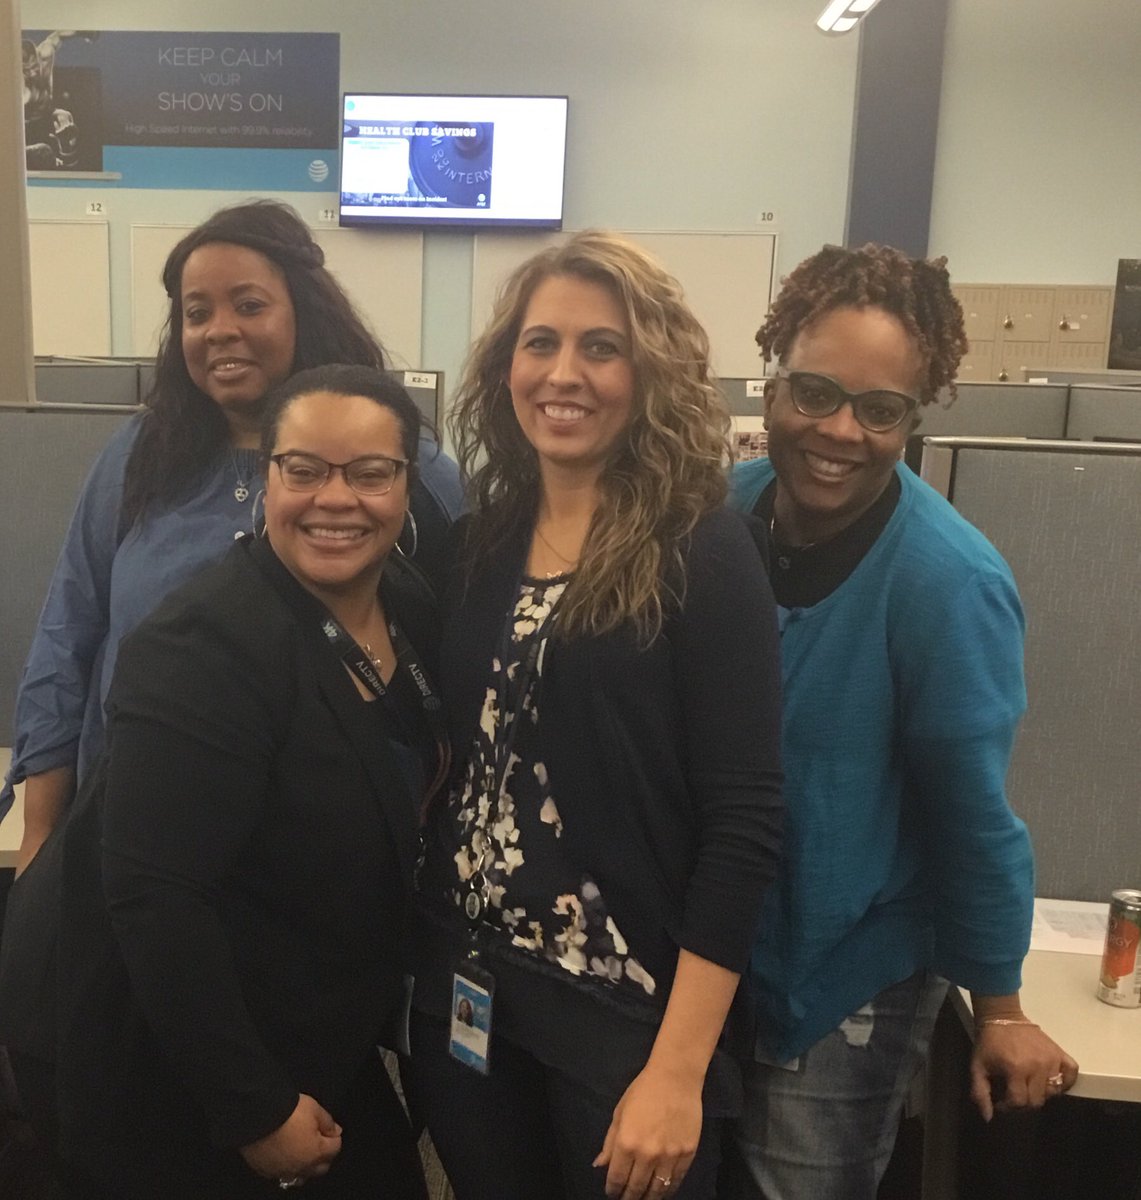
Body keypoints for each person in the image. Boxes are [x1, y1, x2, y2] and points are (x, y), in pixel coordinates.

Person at [405, 231, 784, 1200]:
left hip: (620, 1018)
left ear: (648, 372)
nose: (562, 373)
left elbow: (743, 826)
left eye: (600, 347)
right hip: (472, 995)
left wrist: (677, 1071)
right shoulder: (479, 539)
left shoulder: (701, 551)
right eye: (540, 343)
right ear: (506, 364)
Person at [726, 243, 1078, 1199]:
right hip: (721, 954)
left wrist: (998, 1005)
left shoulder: (946, 583)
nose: (839, 431)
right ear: (771, 380)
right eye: (813, 393)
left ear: (914, 417)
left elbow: (973, 814)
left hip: (846, 972)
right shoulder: (727, 513)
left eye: (879, 410)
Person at [53, 365, 440, 1199]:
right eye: (302, 469)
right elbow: (155, 895)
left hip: (321, 1021)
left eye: (370, 472)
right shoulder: (204, 645)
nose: (335, 499)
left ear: (409, 483)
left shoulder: (406, 604)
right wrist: (251, 1108)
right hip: (196, 1060)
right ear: (266, 476)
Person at [1, 198, 461, 866]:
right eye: (196, 312)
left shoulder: (402, 463)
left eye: (248, 305)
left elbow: (450, 662)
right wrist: (43, 834)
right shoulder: (142, 455)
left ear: (304, 310)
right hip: (131, 829)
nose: (219, 330)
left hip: (326, 855)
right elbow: (68, 636)